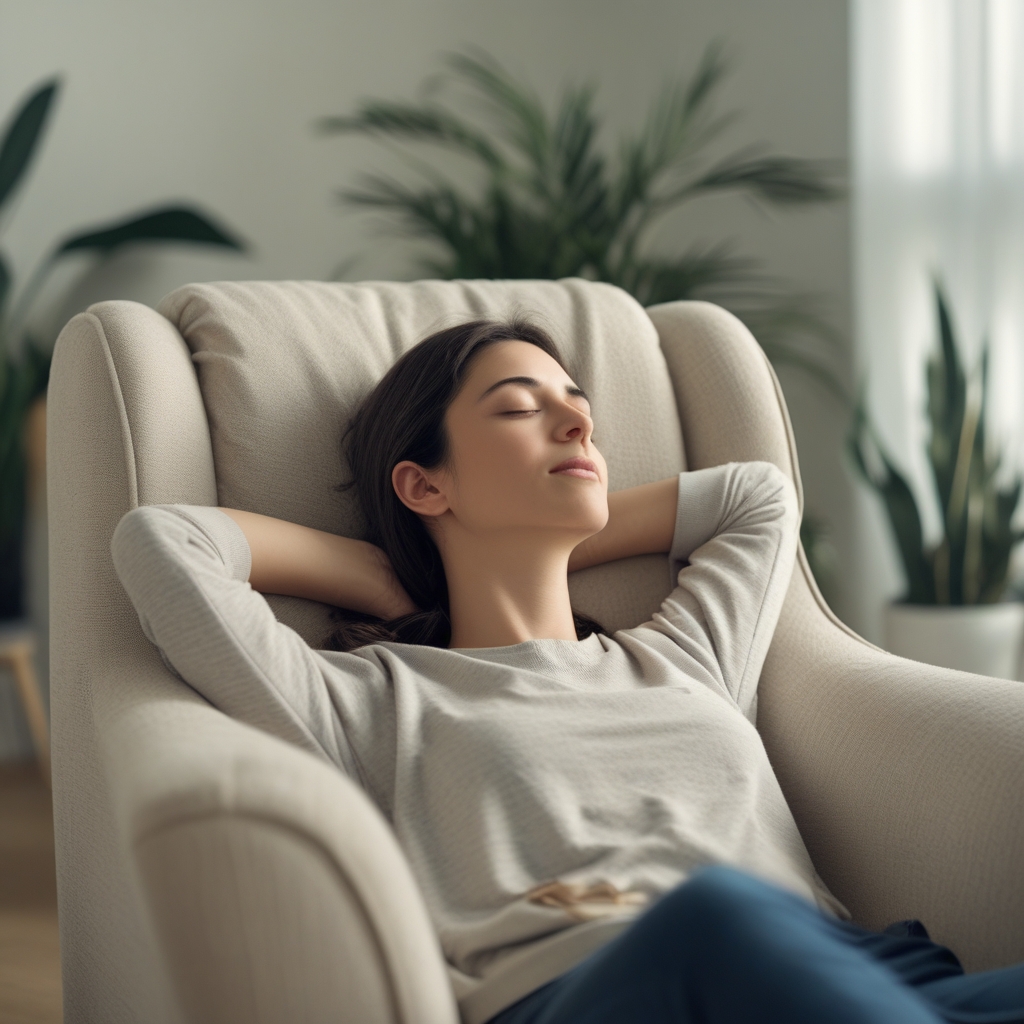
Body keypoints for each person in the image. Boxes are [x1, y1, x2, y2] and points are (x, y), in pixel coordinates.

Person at [112, 318, 1024, 1024]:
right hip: (604, 985)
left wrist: (552, 534)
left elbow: (757, 495)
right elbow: (163, 544)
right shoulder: (369, 697)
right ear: (424, 485)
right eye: (518, 406)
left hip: (852, 970)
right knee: (718, 917)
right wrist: (380, 570)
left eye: (575, 400)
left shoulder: (683, 654)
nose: (577, 418)